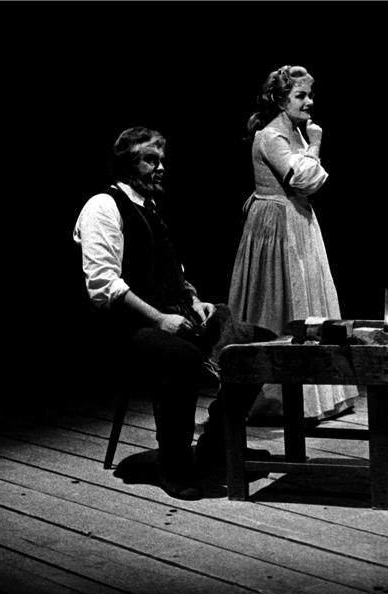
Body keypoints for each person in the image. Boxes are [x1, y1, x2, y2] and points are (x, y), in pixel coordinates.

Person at [74, 127, 272, 501]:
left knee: (257, 343)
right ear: (127, 163)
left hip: (173, 314)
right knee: (180, 358)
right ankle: (174, 464)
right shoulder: (103, 207)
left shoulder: (148, 206)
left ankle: (217, 442)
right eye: (151, 160)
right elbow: (104, 287)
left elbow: (172, 271)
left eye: (162, 160)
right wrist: (159, 319)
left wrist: (194, 300)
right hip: (127, 328)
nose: (161, 167)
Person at [228, 65, 358, 421]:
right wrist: (315, 144)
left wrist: (308, 142)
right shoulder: (271, 136)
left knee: (308, 297)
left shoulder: (294, 131)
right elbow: (303, 179)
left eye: (310, 95)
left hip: (297, 219)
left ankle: (318, 395)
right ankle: (279, 399)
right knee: (281, 305)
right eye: (301, 95)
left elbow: (308, 183)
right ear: (280, 100)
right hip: (277, 225)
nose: (309, 101)